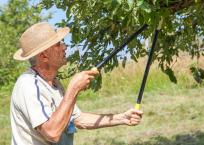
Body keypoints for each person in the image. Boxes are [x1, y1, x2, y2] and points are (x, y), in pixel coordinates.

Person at [10, 22, 143, 145]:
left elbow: (78, 119)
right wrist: (73, 89)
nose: (64, 47)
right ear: (44, 56)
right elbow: (51, 133)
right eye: (58, 44)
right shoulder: (29, 86)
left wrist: (122, 118)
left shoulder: (54, 83)